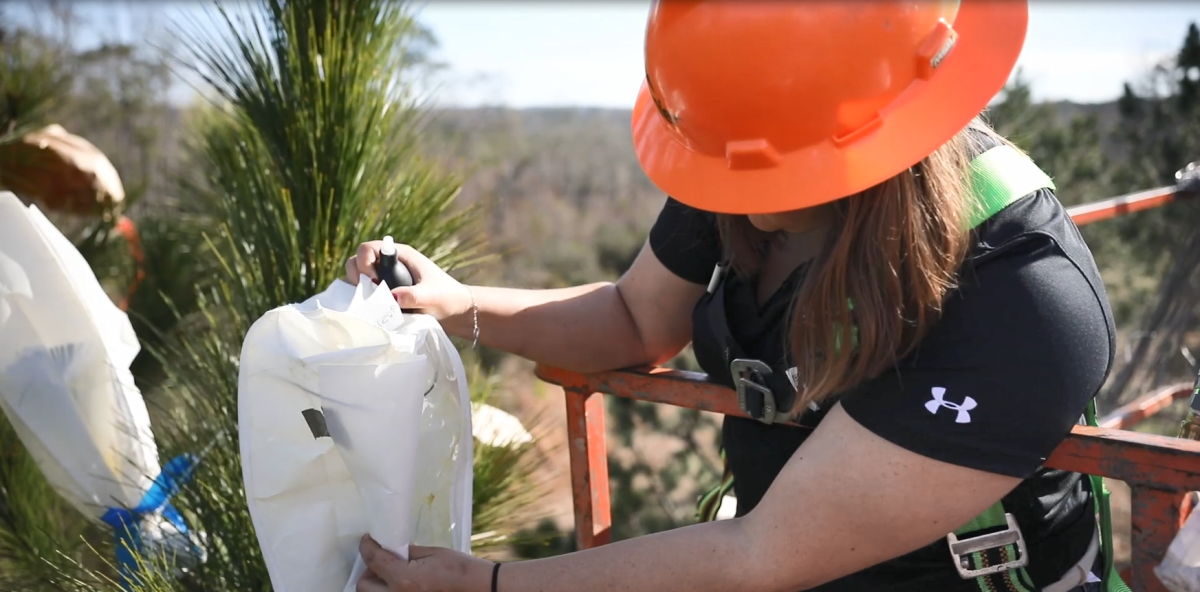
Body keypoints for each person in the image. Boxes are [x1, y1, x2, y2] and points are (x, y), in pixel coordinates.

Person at [344, 1, 1115, 591]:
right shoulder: (749, 144)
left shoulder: (1024, 291)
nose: (737, 203)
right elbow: (635, 316)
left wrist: (493, 581)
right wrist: (455, 304)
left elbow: (763, 552)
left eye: (766, 175)